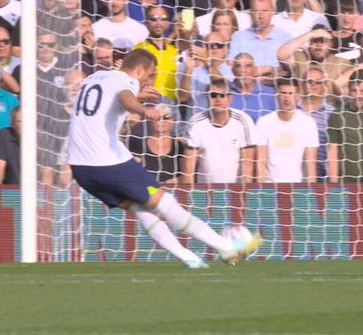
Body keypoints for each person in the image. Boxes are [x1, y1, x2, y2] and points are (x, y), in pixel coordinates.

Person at [68, 50, 261, 268]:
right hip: (107, 163)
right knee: (165, 203)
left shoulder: (95, 77)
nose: (150, 81)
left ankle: (190, 259)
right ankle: (225, 247)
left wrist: (138, 96)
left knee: (139, 208)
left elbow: (106, 99)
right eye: (150, 76)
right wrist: (143, 110)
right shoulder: (125, 81)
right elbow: (124, 97)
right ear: (139, 70)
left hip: (81, 168)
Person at [184, 78, 258, 185]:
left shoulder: (243, 121)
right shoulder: (195, 123)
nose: (218, 99)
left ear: (230, 98)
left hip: (236, 192)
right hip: (205, 191)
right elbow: (188, 169)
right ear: (207, 98)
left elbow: (247, 166)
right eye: (213, 95)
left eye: (222, 95)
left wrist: (244, 196)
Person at [255, 79, 319, 183]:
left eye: (291, 94)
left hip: (297, 186)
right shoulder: (264, 122)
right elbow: (260, 162)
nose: (287, 98)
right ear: (276, 95)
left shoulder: (308, 123)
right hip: (270, 186)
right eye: (283, 93)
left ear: (298, 96)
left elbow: (310, 165)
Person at [0, 106, 20, 185]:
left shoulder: (43, 139)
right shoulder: (5, 135)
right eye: (19, 121)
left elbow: (47, 176)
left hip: (36, 193)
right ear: (12, 124)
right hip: (11, 193)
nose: (24, 125)